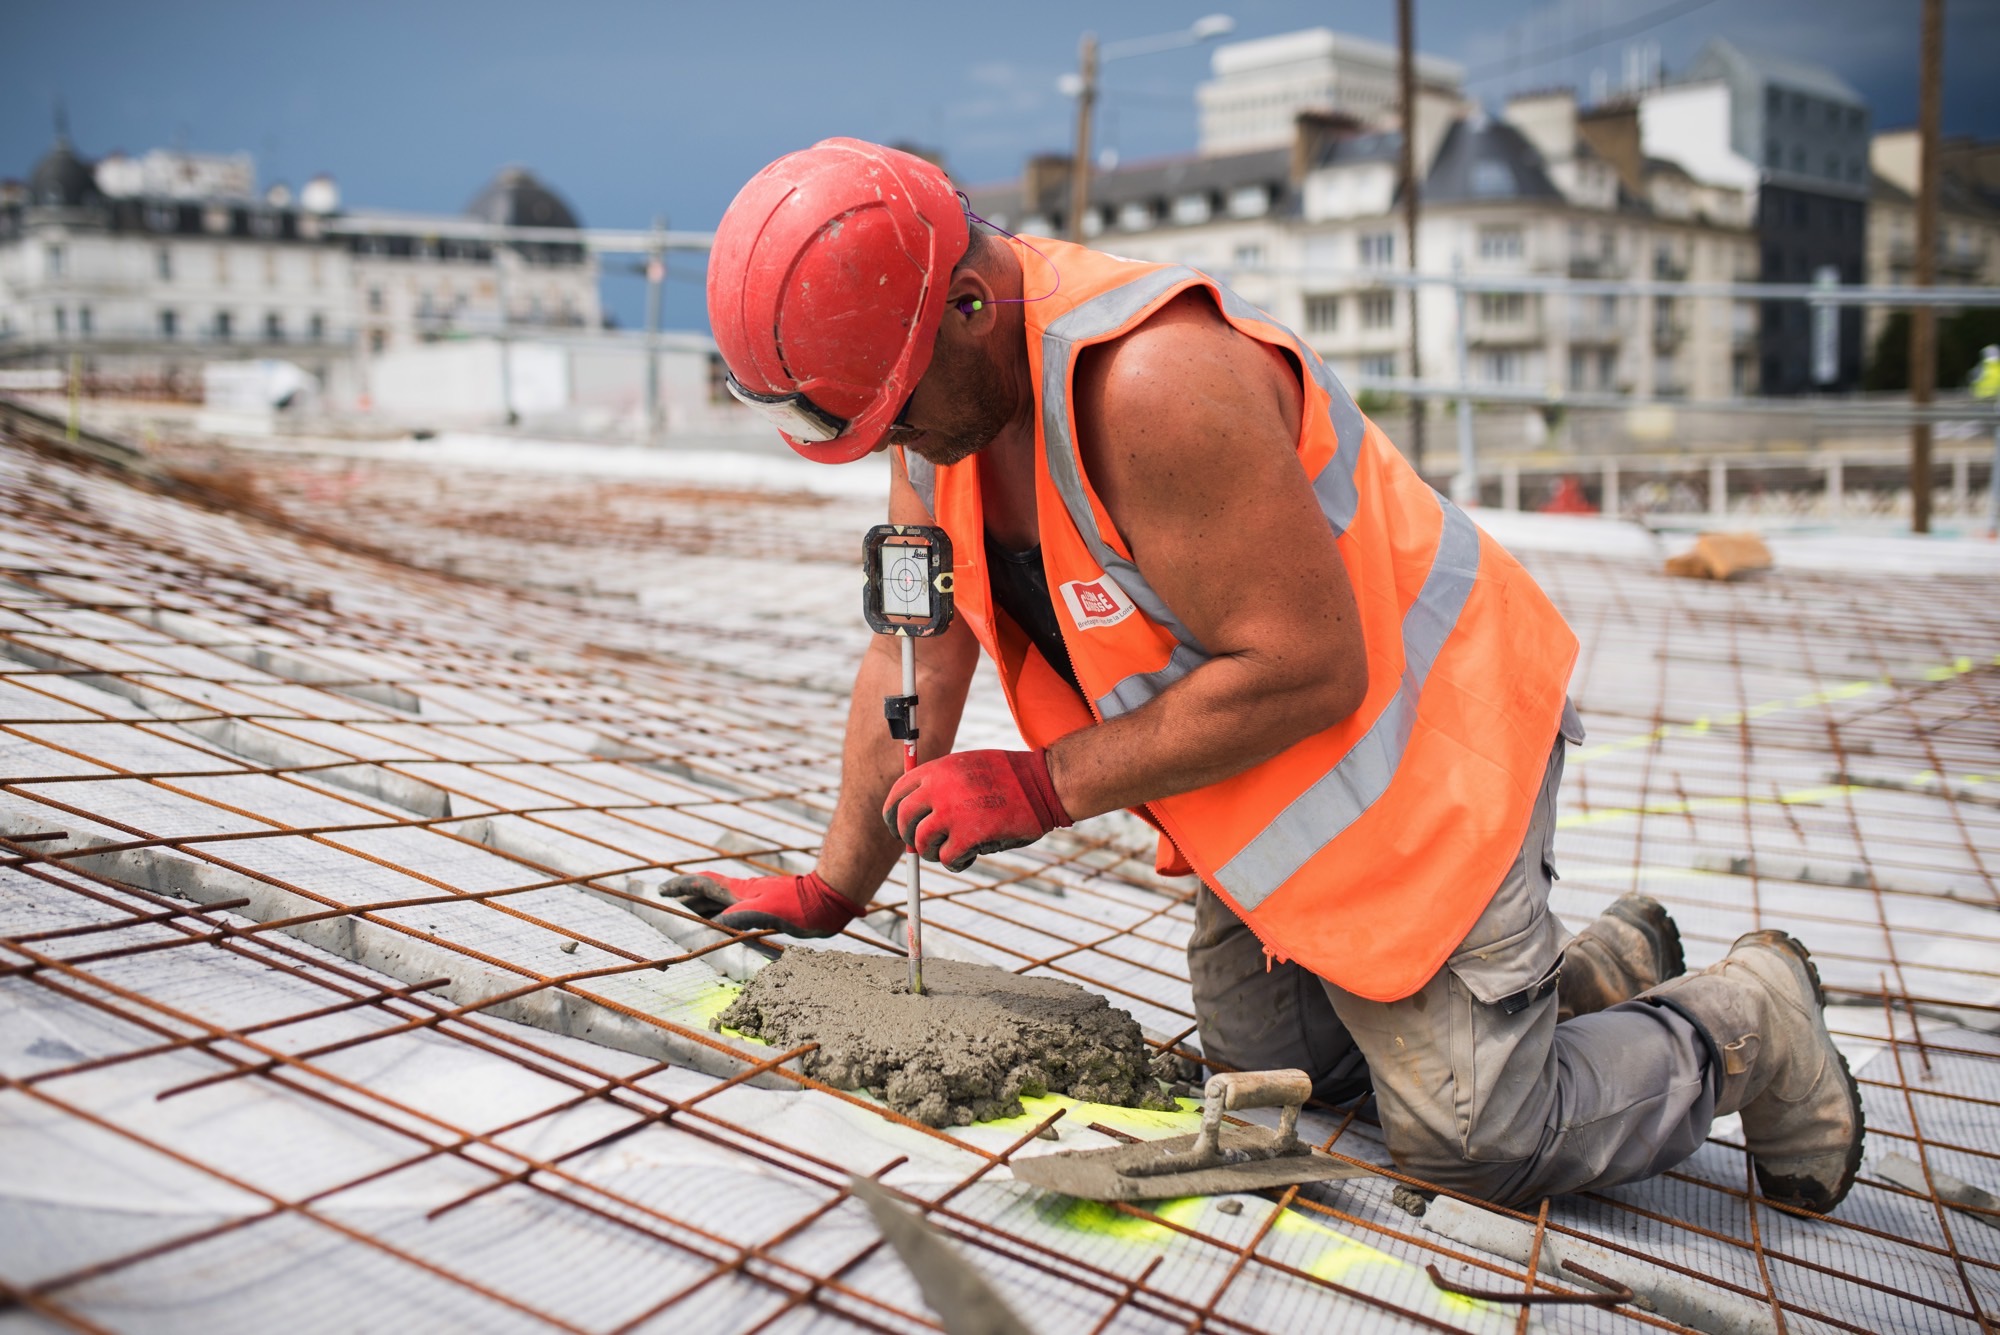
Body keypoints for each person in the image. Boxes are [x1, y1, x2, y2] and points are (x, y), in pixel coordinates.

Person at [674, 138, 1864, 1212]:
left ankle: (1747, 1015)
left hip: (1424, 753)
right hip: (1266, 789)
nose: (891, 445)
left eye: (889, 414)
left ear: (970, 303)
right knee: (1274, 1068)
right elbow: (912, 653)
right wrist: (834, 887)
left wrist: (1042, 786)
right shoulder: (939, 406)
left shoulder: (1146, 383)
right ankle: (1589, 974)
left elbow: (1308, 670)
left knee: (1470, 1140)